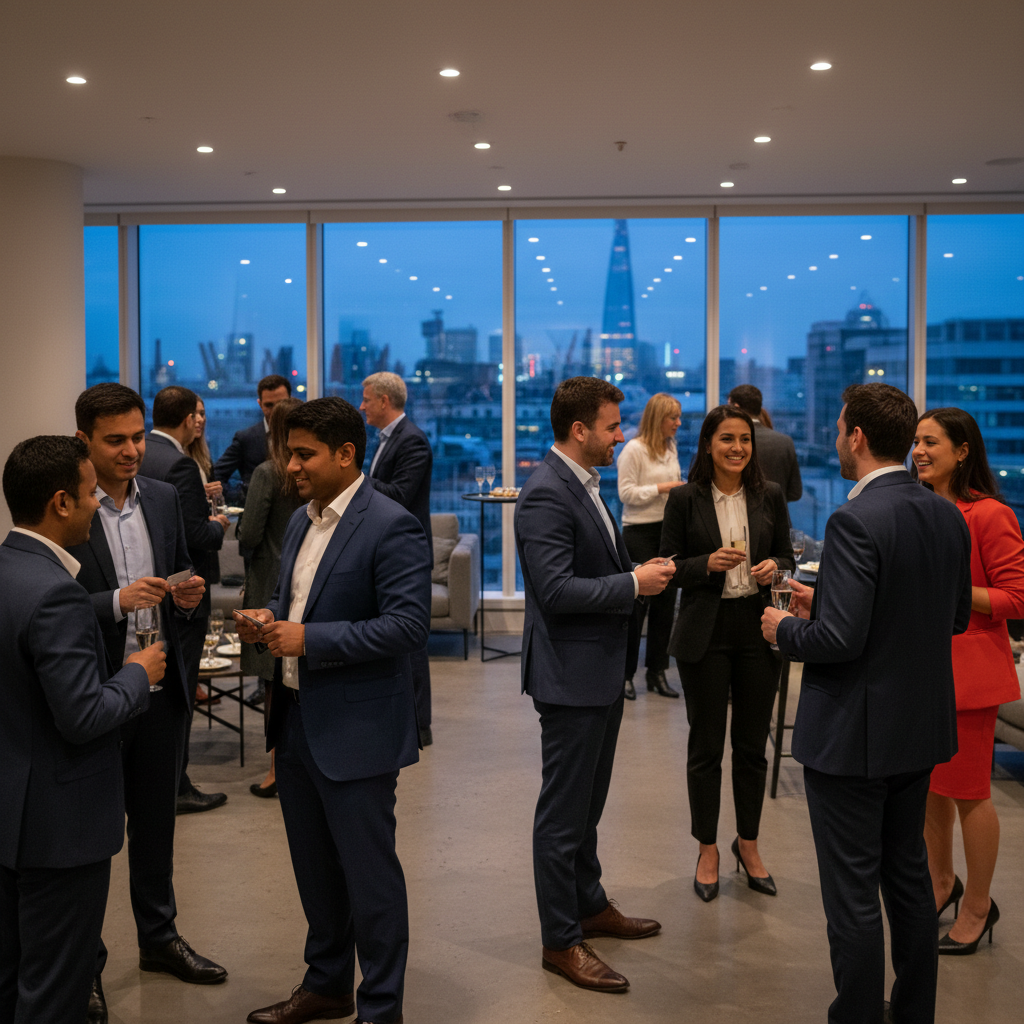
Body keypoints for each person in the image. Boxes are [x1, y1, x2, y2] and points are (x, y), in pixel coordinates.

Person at [762, 383, 972, 1024]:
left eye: (841, 427)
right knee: (907, 882)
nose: (836, 437)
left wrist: (785, 629)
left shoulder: (853, 519)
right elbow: (953, 617)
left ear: (856, 437)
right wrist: (821, 601)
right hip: (918, 730)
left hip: (855, 738)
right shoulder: (944, 514)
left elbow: (838, 641)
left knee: (851, 897)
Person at [233, 397, 431, 1024]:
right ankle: (326, 985)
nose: (290, 466)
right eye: (289, 453)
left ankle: (380, 1007)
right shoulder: (300, 521)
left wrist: (308, 640)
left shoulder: (390, 523)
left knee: (370, 881)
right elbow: (290, 598)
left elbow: (407, 626)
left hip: (358, 730)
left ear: (347, 455)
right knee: (314, 871)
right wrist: (269, 618)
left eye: (303, 454)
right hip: (294, 721)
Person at [69, 383, 228, 1017]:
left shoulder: (161, 497)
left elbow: (184, 567)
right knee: (92, 839)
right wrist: (116, 601)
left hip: (160, 690)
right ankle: (85, 965)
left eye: (138, 436)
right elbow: (46, 606)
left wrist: (185, 594)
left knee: (157, 827)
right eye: (116, 440)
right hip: (97, 695)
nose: (133, 450)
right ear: (84, 440)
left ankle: (159, 938)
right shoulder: (68, 506)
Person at [514, 376, 675, 993]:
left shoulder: (582, 484)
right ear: (579, 430)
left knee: (587, 806)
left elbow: (590, 568)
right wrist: (634, 585)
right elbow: (554, 592)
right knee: (563, 815)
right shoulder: (546, 494)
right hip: (571, 676)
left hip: (599, 671)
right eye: (612, 426)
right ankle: (561, 940)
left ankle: (589, 902)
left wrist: (633, 571)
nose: (620, 436)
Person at [0, 435, 163, 1024]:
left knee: (13, 978)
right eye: (93, 493)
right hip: (60, 829)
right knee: (54, 992)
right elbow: (83, 716)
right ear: (62, 502)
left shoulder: (9, 571)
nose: (101, 503)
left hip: (12, 818)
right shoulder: (56, 594)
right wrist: (136, 676)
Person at [659, 405, 793, 902]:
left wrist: (772, 568)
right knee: (707, 747)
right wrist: (706, 564)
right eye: (727, 439)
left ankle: (749, 844)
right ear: (708, 445)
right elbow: (668, 564)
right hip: (705, 632)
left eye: (745, 439)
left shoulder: (770, 495)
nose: (737, 448)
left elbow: (786, 556)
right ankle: (708, 848)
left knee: (752, 748)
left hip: (759, 629)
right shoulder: (685, 499)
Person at [912, 408, 1024, 954]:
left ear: (962, 451)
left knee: (970, 795)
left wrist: (952, 596)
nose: (919, 451)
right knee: (933, 790)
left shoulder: (990, 514)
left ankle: (979, 905)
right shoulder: (923, 509)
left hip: (971, 677)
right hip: (925, 671)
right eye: (916, 441)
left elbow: (1016, 598)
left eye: (931, 442)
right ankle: (941, 884)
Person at [140, 385, 231, 815]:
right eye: (196, 414)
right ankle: (176, 784)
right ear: (184, 418)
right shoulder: (178, 464)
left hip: (148, 591)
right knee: (181, 692)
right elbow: (196, 537)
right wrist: (219, 524)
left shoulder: (146, 456)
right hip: (183, 593)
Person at [360, 371, 435, 746]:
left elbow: (401, 494)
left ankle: (420, 724)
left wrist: (356, 480)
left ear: (385, 402)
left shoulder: (412, 440)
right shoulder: (388, 439)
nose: (362, 406)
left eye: (367, 399)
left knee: (412, 640)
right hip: (389, 551)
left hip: (408, 554)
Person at [236, 396, 304, 797]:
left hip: (268, 586)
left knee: (271, 685)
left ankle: (276, 769)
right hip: (301, 585)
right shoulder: (310, 475)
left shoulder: (267, 472)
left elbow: (249, 535)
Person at [617, 392, 685, 700]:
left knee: (665, 609)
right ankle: (625, 675)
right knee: (636, 610)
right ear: (659, 419)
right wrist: (664, 488)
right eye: (673, 418)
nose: (678, 423)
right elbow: (626, 494)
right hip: (639, 533)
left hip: (667, 532)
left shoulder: (671, 447)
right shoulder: (633, 449)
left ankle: (657, 673)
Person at [214, 374, 293, 493]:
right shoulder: (246, 438)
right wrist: (240, 495)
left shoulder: (301, 435)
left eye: (281, 404)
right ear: (260, 404)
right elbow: (216, 474)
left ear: (290, 401)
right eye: (269, 405)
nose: (276, 410)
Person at [728, 384, 802, 502]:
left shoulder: (728, 444)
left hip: (740, 516)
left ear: (736, 407)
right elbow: (795, 493)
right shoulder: (785, 442)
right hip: (777, 518)